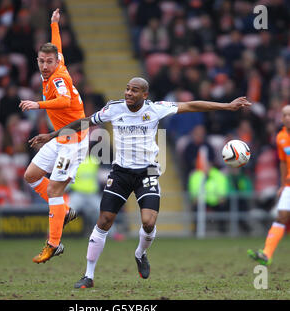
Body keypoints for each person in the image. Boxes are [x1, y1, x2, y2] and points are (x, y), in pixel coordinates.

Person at [29, 77, 251, 288]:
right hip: (120, 173)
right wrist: (52, 135)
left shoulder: (155, 109)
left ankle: (140, 254)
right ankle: (88, 275)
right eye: (127, 88)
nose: (128, 93)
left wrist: (227, 106)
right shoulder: (114, 108)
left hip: (147, 172)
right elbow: (84, 122)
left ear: (145, 94)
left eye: (134, 90)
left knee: (148, 222)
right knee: (104, 220)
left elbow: (191, 106)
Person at [19, 9, 88, 264]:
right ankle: (65, 212)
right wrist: (54, 25)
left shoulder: (58, 77)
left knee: (56, 190)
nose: (45, 66)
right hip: (60, 137)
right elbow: (56, 47)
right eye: (41, 61)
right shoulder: (56, 62)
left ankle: (54, 244)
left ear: (56, 62)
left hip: (75, 138)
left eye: (49, 62)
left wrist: (37, 105)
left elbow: (64, 100)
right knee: (31, 176)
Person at [248, 105, 290, 265]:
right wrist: (282, 184)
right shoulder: (281, 137)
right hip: (288, 184)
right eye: (284, 115)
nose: (287, 118)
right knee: (281, 217)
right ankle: (267, 253)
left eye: (289, 115)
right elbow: (282, 162)